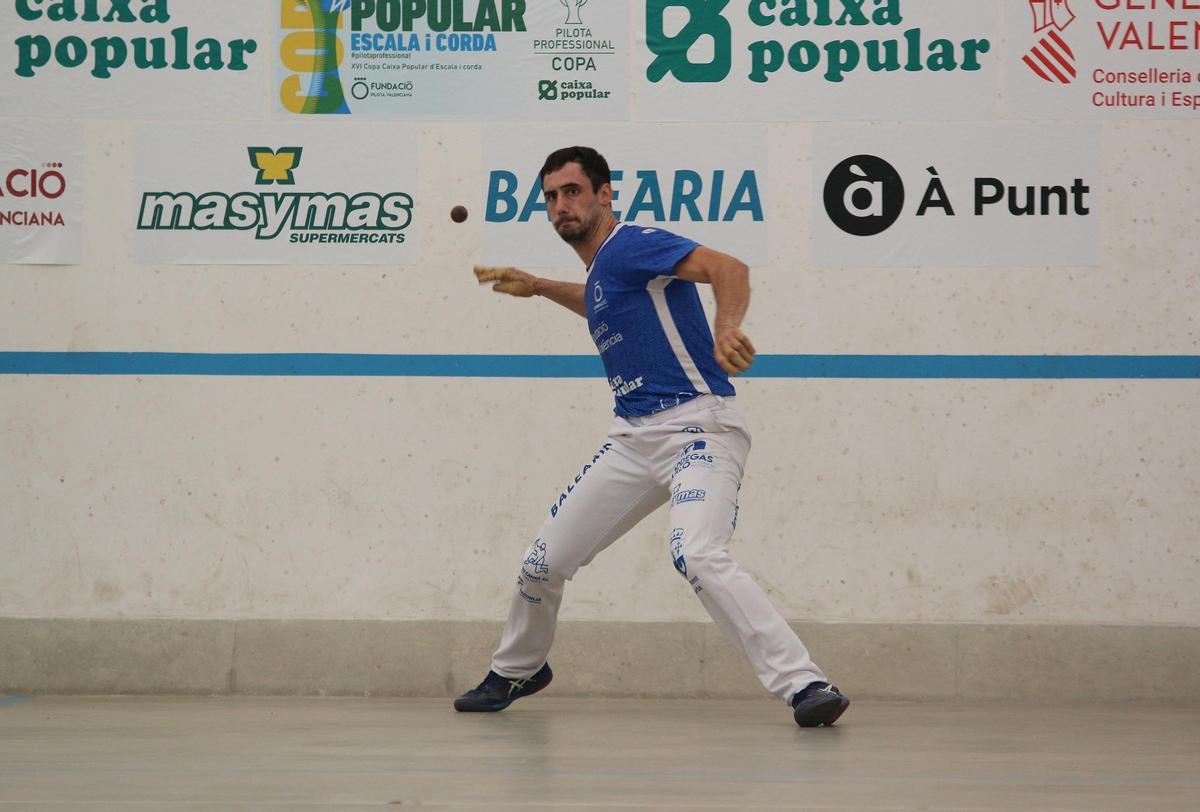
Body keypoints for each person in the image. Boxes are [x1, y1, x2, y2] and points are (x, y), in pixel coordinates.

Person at [455, 146, 849, 727]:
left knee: (696, 553)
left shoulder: (631, 244)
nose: (560, 206)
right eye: (550, 198)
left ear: (604, 194)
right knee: (542, 563)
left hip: (700, 430)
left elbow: (729, 268)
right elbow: (600, 304)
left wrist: (727, 325)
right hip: (633, 439)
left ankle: (804, 684)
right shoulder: (604, 272)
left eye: (572, 191)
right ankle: (519, 669)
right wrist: (539, 285)